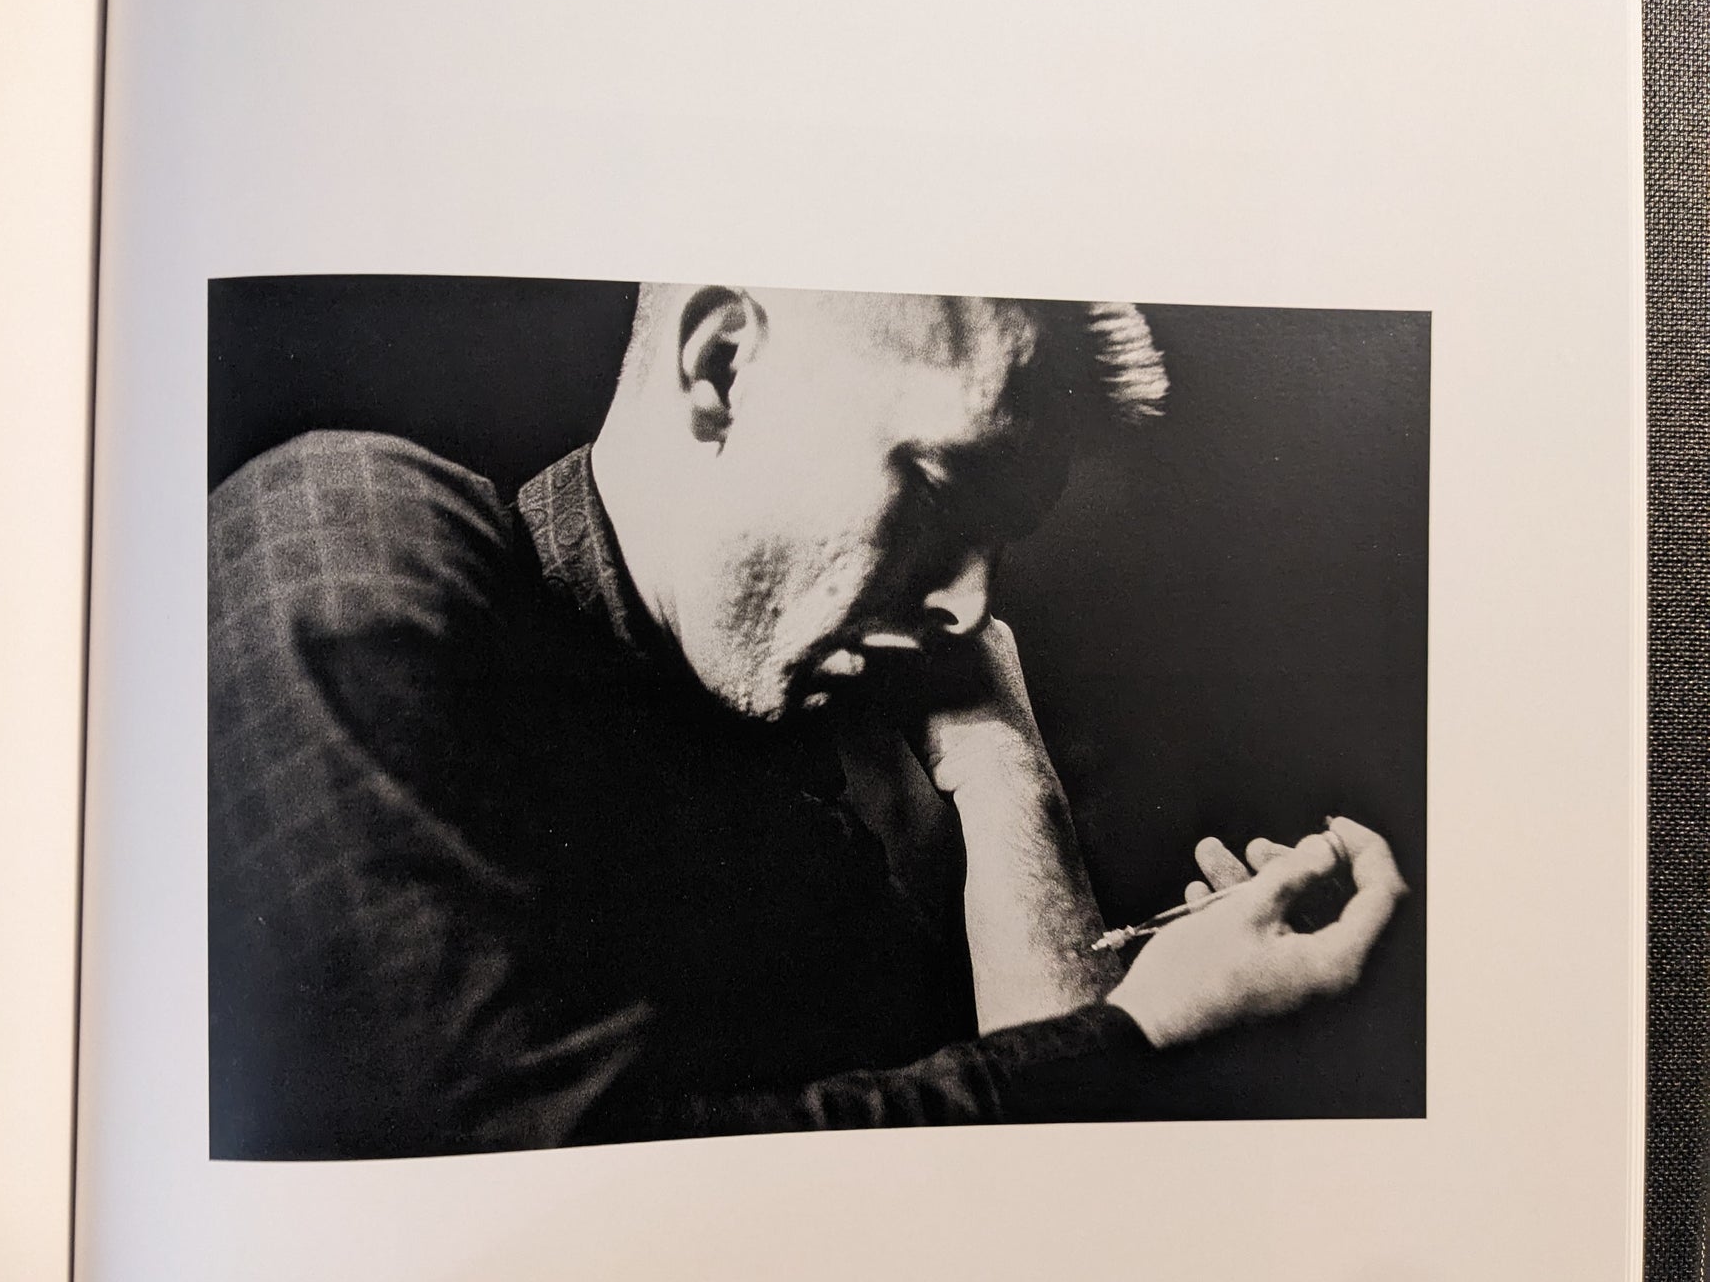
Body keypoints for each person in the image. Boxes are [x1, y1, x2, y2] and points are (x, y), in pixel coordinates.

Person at [207, 283, 1408, 1159]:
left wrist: (1006, 774)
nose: (973, 603)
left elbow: (1035, 1189)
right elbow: (517, 1171)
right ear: (721, 366)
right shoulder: (342, 532)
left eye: (1003, 544)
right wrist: (1145, 1031)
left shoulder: (818, 759)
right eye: (941, 490)